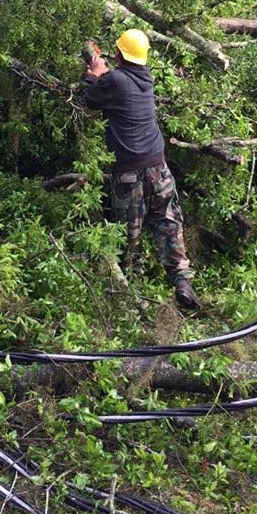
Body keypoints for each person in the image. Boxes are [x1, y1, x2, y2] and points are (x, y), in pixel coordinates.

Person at [81, 28, 202, 309]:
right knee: (168, 223)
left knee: (128, 234)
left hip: (129, 172)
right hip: (158, 166)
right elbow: (117, 84)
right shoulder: (145, 78)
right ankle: (182, 280)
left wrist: (93, 74)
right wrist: (105, 75)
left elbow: (89, 99)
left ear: (120, 54)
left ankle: (129, 295)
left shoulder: (116, 80)